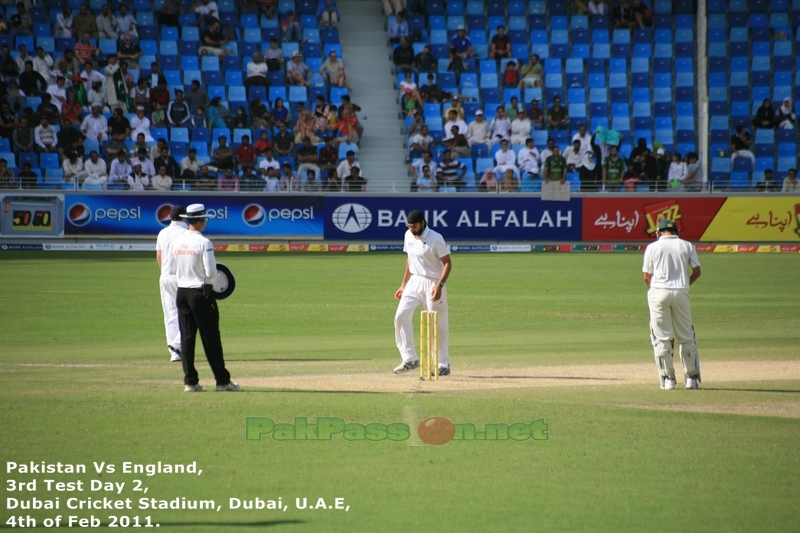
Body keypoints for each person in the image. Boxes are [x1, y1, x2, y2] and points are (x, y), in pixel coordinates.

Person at [174, 204, 239, 392]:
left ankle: (190, 382)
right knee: (211, 338)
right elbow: (211, 273)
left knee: (187, 338)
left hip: (182, 292)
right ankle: (222, 381)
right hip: (199, 293)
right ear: (201, 221)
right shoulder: (204, 243)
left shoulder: (177, 241)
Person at [643, 219, 702, 391]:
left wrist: (658, 289)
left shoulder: (652, 247)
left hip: (658, 293)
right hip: (681, 292)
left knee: (662, 337)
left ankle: (668, 379)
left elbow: (647, 276)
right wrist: (683, 286)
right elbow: (697, 271)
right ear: (676, 232)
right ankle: (691, 378)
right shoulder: (686, 245)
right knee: (686, 335)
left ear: (659, 232)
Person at [393, 210, 452, 376]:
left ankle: (443, 364)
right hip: (414, 282)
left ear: (423, 223)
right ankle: (410, 358)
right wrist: (403, 284)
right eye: (409, 226)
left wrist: (439, 285)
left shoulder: (435, 238)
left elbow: (447, 263)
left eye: (415, 226)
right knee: (400, 316)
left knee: (437, 324)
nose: (412, 230)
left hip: (433, 282)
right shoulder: (408, 235)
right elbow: (409, 260)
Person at [156, 205, 187, 362]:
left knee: (170, 313)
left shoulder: (163, 232)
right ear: (184, 217)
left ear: (170, 217)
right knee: (189, 313)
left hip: (165, 276)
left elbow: (159, 257)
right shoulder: (186, 232)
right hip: (181, 277)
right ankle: (176, 345)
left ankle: (174, 352)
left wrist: (166, 273)